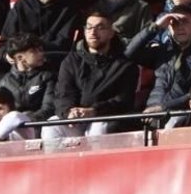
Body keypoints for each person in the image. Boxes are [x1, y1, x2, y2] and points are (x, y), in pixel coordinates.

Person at [43, 10, 140, 138]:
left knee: (100, 126)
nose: (93, 32)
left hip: (105, 119)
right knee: (51, 125)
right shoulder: (71, 61)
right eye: (89, 27)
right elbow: (63, 93)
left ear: (111, 33)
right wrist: (68, 112)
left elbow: (123, 101)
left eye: (100, 28)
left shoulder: (125, 66)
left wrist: (94, 111)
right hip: (76, 120)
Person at [138, 11, 191, 127]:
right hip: (150, 112)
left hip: (180, 112)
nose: (180, 27)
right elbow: (128, 54)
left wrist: (163, 107)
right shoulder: (162, 51)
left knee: (172, 127)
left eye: (185, 22)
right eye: (175, 23)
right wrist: (156, 27)